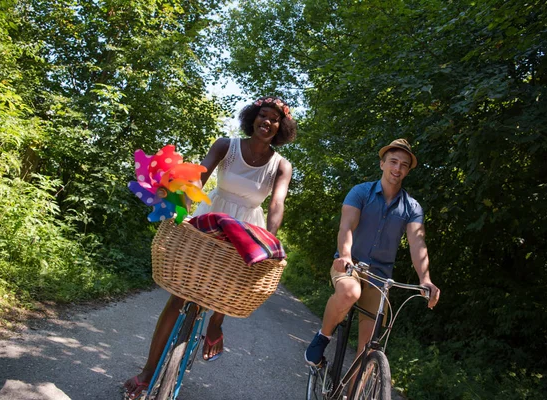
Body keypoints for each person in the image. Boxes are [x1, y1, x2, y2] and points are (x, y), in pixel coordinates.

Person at [124, 96, 297, 399]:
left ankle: (216, 322)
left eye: (274, 119)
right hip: (211, 217)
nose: (266, 122)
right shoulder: (225, 146)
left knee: (229, 288)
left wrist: (270, 240)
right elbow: (197, 179)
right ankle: (147, 371)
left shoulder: (281, 166)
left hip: (248, 228)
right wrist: (184, 212)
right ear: (252, 119)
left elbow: (277, 204)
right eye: (262, 116)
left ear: (281, 128)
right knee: (179, 294)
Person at [304, 138, 440, 369]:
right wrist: (345, 255)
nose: (397, 168)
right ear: (382, 164)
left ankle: (351, 392)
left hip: (380, 277)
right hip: (350, 266)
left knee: (368, 350)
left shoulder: (412, 207)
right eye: (393, 162)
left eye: (403, 165)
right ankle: (323, 336)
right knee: (349, 292)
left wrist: (425, 280)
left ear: (407, 170)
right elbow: (347, 226)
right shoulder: (361, 192)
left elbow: (418, 243)